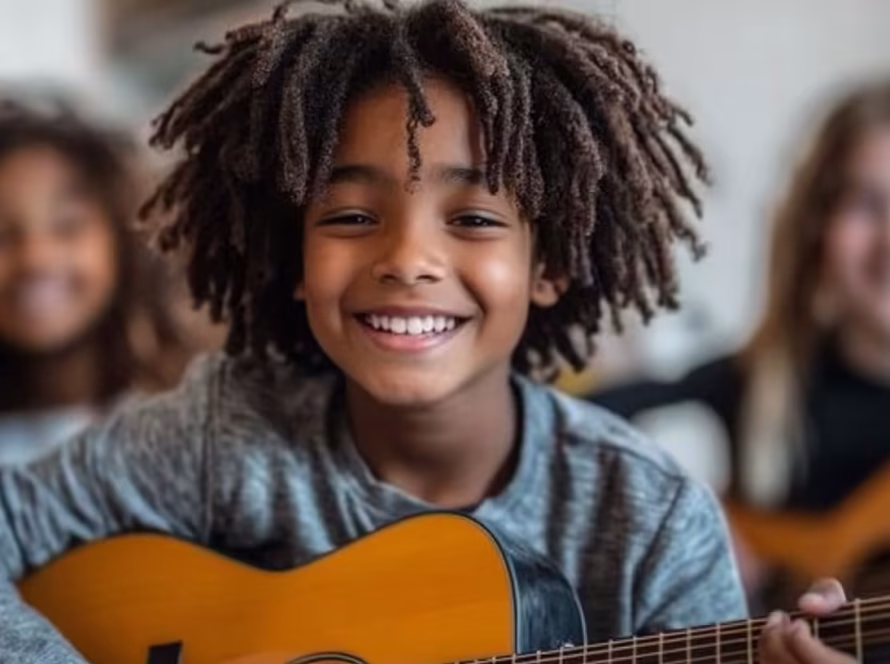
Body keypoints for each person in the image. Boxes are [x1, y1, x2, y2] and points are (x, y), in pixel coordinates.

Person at [0, 1, 856, 662]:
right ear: (290, 255)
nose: (408, 258)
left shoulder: (650, 522)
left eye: (476, 218)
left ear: (547, 266)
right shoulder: (226, 434)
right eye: (352, 214)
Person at [591, 81, 890, 604]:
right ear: (816, 224)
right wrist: (688, 520)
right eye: (866, 204)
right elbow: (574, 422)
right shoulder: (754, 384)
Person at [0, 98, 198, 466]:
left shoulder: (198, 417)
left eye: (67, 225)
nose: (35, 258)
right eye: (1, 235)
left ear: (125, 240)